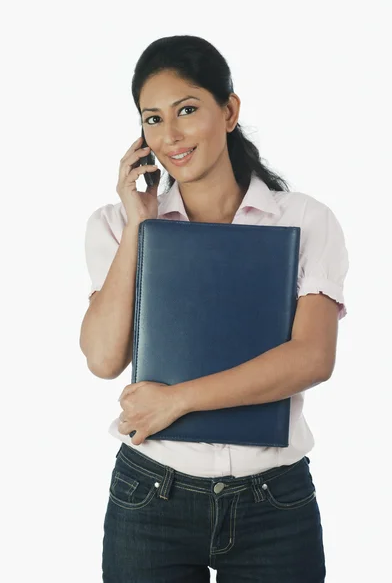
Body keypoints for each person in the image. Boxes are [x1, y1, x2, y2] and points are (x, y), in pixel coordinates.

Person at [80, 35, 349, 582]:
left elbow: (312, 358)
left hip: (275, 501)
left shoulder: (302, 221)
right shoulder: (114, 225)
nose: (170, 135)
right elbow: (104, 358)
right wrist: (140, 224)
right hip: (151, 495)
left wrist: (175, 402)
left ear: (229, 112)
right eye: (152, 119)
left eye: (187, 110)